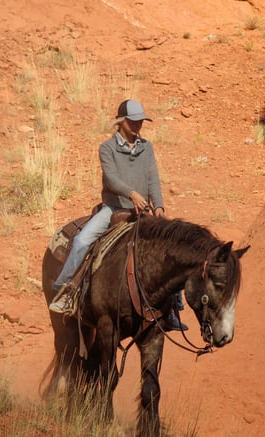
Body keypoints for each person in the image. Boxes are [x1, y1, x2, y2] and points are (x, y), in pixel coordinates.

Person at [49, 98, 188, 331]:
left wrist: (160, 206)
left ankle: (173, 308)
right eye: (133, 121)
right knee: (83, 241)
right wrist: (132, 193)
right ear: (121, 122)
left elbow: (153, 178)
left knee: (172, 246)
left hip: (143, 212)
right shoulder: (107, 148)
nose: (138, 126)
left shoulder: (147, 147)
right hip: (114, 209)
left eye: (140, 121)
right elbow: (111, 179)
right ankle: (65, 291)